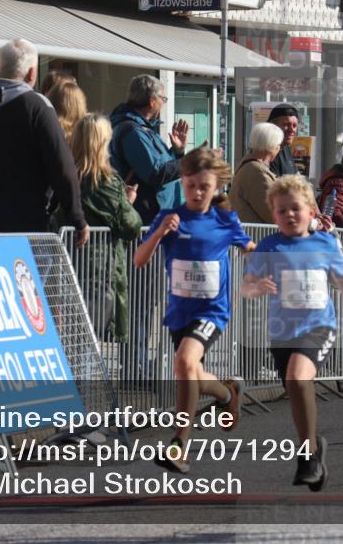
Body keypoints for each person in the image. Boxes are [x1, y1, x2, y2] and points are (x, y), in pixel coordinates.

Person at [242, 175, 343, 490]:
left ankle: (308, 456)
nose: (289, 215)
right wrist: (257, 287)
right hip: (282, 332)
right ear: (273, 214)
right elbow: (245, 286)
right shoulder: (269, 246)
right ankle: (312, 444)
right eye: (281, 210)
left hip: (318, 327)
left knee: (299, 379)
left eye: (295, 209)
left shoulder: (325, 243)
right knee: (294, 388)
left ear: (312, 211)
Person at [133, 147, 255, 474]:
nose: (198, 193)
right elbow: (139, 260)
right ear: (182, 183)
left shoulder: (225, 220)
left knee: (184, 363)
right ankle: (227, 394)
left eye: (205, 186)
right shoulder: (169, 217)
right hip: (179, 312)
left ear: (216, 188)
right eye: (191, 186)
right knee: (192, 375)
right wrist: (159, 232)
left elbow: (251, 249)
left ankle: (179, 445)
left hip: (212, 310)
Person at [0, 38, 88, 246]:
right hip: (22, 226)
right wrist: (77, 218)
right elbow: (61, 165)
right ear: (32, 73)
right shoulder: (36, 106)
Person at [54, 113, 141, 340]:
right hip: (100, 273)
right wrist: (128, 201)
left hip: (65, 269)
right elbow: (131, 226)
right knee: (88, 344)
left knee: (72, 341)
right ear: (103, 144)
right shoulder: (108, 183)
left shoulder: (64, 177)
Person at [109, 74, 189, 224]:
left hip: (161, 218)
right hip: (148, 219)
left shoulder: (143, 129)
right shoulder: (133, 132)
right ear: (152, 101)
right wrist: (190, 161)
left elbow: (162, 166)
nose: (163, 103)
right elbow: (156, 173)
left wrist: (178, 152)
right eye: (163, 99)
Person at [230, 121, 282, 223]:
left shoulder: (250, 167)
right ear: (273, 146)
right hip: (256, 237)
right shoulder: (256, 172)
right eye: (279, 145)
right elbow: (273, 214)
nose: (279, 148)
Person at [267, 104, 300, 177]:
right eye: (286, 125)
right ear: (273, 125)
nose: (292, 130)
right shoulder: (265, 152)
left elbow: (297, 177)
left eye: (294, 126)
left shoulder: (286, 148)